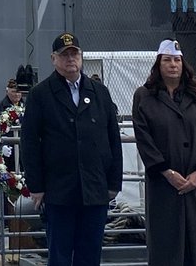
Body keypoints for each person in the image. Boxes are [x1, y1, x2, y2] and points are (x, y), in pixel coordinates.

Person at [21, 32, 121, 266]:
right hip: (59, 190)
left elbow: (113, 140)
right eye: (64, 55)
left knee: (90, 254)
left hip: (95, 189)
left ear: (81, 56)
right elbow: (29, 142)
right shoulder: (41, 95)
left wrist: (114, 183)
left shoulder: (99, 93)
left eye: (74, 53)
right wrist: (36, 186)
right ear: (53, 59)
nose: (70, 59)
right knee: (60, 254)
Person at [130, 40, 196, 266]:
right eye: (167, 60)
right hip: (163, 185)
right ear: (158, 64)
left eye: (177, 60)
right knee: (166, 245)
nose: (173, 65)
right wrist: (165, 171)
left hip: (194, 183)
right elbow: (144, 138)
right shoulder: (144, 97)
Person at [0, 78, 25, 174]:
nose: (17, 94)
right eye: (13, 92)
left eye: (19, 92)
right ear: (7, 91)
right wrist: (1, 146)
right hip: (7, 151)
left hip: (25, 149)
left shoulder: (27, 106)